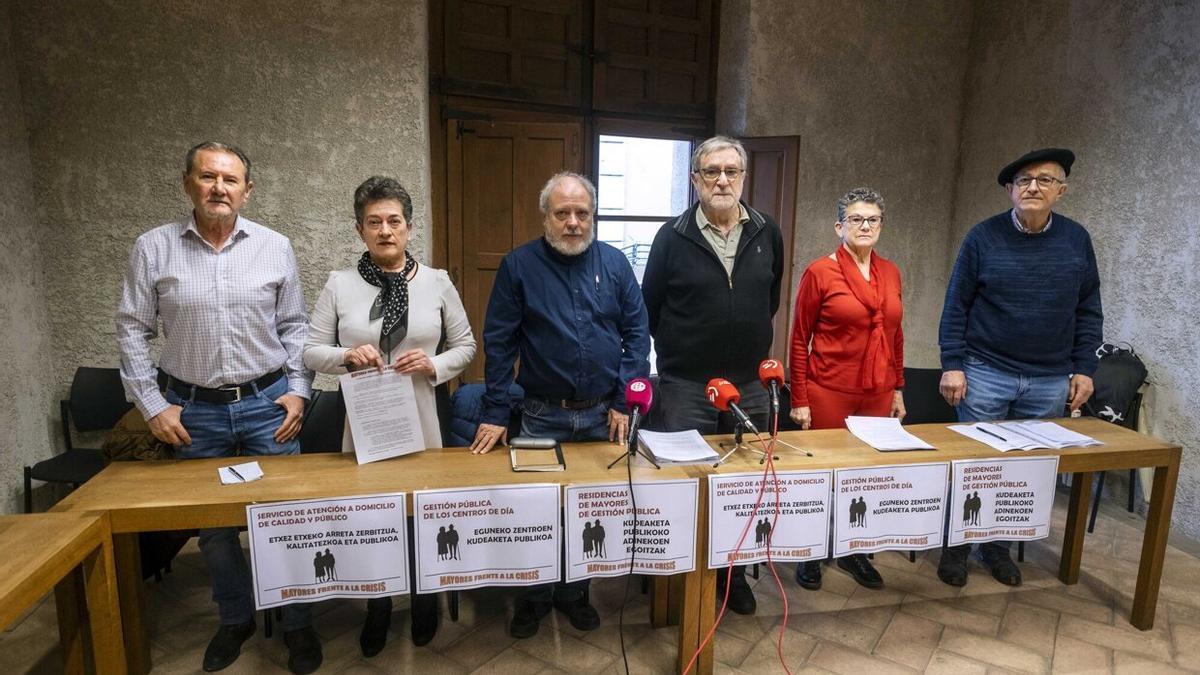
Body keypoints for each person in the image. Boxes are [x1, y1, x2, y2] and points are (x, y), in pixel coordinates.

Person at [115, 141, 319, 674]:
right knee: (213, 527)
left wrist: (299, 389)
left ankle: (297, 622)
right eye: (208, 177)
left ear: (247, 191)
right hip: (193, 412)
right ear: (188, 184)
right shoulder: (153, 248)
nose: (219, 188)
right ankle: (235, 618)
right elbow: (133, 330)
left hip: (268, 406)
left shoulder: (275, 247)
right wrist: (153, 404)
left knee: (287, 518)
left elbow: (295, 327)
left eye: (230, 180)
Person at [469, 171, 650, 638]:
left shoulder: (614, 265)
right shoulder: (518, 266)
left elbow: (637, 336)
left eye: (582, 213)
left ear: (593, 216)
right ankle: (534, 596)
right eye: (562, 213)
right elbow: (499, 342)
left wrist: (623, 401)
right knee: (535, 511)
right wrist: (494, 412)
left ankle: (574, 592)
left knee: (588, 510)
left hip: (600, 414)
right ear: (546, 216)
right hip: (539, 413)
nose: (573, 222)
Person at [303, 175, 476, 655]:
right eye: (374, 222)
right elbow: (310, 350)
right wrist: (345, 356)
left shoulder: (438, 282)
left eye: (394, 221)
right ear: (360, 230)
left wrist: (434, 363)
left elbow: (466, 346)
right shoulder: (340, 284)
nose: (385, 230)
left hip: (422, 414)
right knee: (371, 518)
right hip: (364, 420)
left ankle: (424, 602)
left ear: (410, 226)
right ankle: (378, 606)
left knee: (422, 513)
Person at [938, 147, 1102, 587]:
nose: (1033, 187)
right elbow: (956, 306)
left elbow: (1089, 310)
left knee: (1019, 474)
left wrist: (1083, 368)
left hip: (1049, 378)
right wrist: (953, 365)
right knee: (973, 465)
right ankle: (954, 549)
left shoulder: (1076, 240)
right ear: (1010, 190)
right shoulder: (983, 237)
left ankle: (996, 549)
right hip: (986, 371)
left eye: (1045, 180)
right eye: (1024, 180)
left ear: (1061, 191)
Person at [641, 135, 784, 615]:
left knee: (743, 492)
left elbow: (769, 301)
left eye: (732, 171)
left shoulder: (768, 233)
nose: (722, 179)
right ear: (695, 178)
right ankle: (682, 579)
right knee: (689, 488)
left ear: (744, 177)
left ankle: (732, 576)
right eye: (711, 171)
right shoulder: (672, 236)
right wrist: (680, 356)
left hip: (750, 387)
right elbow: (651, 307)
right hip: (686, 387)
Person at [788, 187, 905, 592]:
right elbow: (799, 337)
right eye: (856, 219)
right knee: (822, 479)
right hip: (828, 390)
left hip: (876, 392)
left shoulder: (891, 272)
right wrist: (799, 398)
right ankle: (810, 554)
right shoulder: (820, 272)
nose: (865, 226)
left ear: (882, 226)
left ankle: (855, 549)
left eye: (872, 219)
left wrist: (899, 389)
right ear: (840, 226)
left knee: (864, 479)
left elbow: (895, 334)